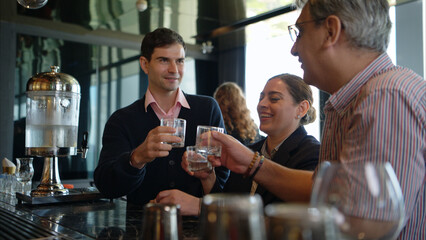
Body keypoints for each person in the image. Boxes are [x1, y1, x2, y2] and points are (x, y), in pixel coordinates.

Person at [207, 0, 425, 239]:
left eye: (300, 32)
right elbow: (330, 192)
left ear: (331, 31)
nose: (294, 49)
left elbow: (363, 225)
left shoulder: (384, 96)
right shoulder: (353, 100)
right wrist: (251, 162)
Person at [93, 28, 229, 205]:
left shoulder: (207, 108)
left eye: (180, 61)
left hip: (200, 227)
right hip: (142, 228)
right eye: (164, 60)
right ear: (145, 64)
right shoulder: (122, 120)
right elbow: (107, 186)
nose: (174, 69)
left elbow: (224, 178)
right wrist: (136, 158)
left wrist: (203, 186)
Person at [155, 74, 320, 213]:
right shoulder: (251, 150)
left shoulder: (312, 153)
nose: (262, 104)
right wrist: (208, 176)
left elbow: (287, 217)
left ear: (301, 108)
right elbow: (228, 199)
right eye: (261, 97)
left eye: (274, 98)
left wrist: (200, 206)